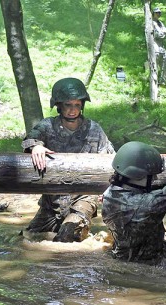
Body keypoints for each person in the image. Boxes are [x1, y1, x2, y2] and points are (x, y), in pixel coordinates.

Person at [21, 77, 115, 242]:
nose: (73, 110)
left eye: (77, 105)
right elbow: (30, 139)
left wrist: (109, 188)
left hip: (84, 196)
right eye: (68, 105)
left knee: (65, 240)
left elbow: (111, 160)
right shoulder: (47, 126)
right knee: (27, 239)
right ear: (58, 105)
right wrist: (36, 147)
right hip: (52, 199)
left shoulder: (94, 129)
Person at [102, 141, 166, 265]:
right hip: (151, 265)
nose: (155, 179)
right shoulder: (147, 204)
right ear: (138, 175)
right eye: (151, 176)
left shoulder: (109, 194)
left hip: (123, 258)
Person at [152, 7, 166, 85]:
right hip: (154, 46)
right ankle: (153, 83)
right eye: (157, 13)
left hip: (161, 47)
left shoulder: (160, 23)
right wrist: (163, 33)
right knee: (154, 66)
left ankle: (162, 82)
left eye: (159, 13)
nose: (158, 14)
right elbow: (158, 35)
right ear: (153, 14)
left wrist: (163, 33)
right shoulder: (151, 23)